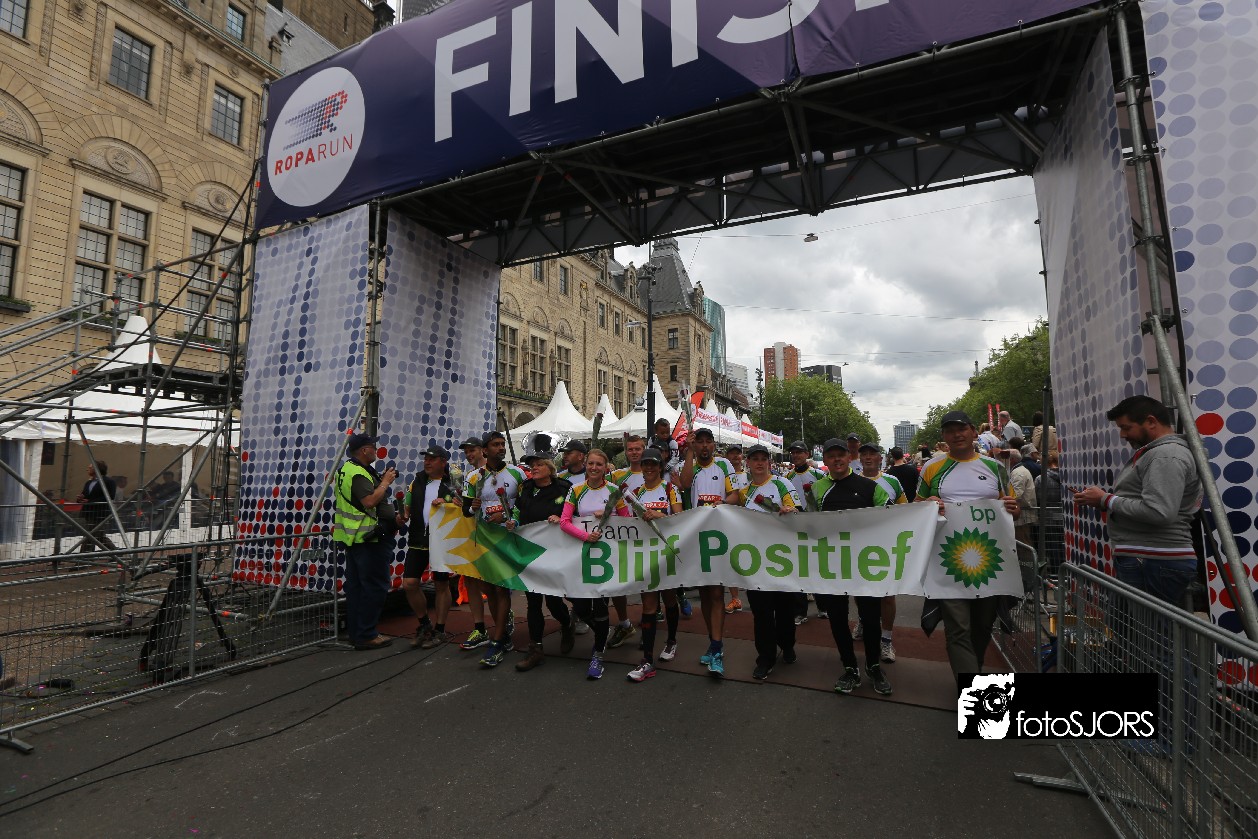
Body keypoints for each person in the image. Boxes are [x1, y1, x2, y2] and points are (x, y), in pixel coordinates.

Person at [1073, 395, 1201, 608]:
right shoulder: (1161, 454)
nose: (1123, 435)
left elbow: (1159, 512)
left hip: (1153, 559)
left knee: (1148, 628)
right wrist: (1105, 501)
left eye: (1126, 427)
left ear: (1151, 421)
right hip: (1149, 558)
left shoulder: (1165, 456)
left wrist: (1106, 499)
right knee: (1135, 626)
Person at [917, 412, 1020, 677]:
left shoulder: (995, 468)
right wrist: (927, 504)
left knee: (983, 626)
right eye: (950, 430)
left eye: (961, 429)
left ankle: (974, 670)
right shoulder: (932, 468)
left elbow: (1013, 508)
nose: (957, 435)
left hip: (990, 560)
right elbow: (916, 506)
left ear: (974, 432)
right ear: (944, 436)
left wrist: (1013, 508)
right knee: (958, 629)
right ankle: (970, 687)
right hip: (948, 560)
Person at [812, 438, 893, 696]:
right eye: (831, 455)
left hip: (865, 564)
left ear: (850, 458)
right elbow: (807, 523)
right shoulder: (817, 488)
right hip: (832, 564)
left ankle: (873, 666)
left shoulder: (870, 487)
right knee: (837, 618)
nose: (837, 459)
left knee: (870, 618)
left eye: (841, 455)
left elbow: (893, 517)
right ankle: (849, 668)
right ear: (825, 460)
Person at [726, 444, 799, 681]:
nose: (759, 463)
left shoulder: (782, 484)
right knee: (761, 612)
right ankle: (765, 657)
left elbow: (797, 509)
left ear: (769, 462)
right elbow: (727, 507)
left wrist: (790, 510)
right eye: (754, 458)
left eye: (763, 459)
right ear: (747, 463)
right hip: (756, 560)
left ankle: (787, 645)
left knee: (785, 610)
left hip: (782, 558)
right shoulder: (745, 491)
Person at [557, 448, 631, 679]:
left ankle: (598, 654)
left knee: (600, 606)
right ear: (586, 465)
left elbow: (628, 520)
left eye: (599, 464)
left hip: (606, 557)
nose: (594, 468)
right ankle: (602, 631)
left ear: (606, 467)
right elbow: (564, 522)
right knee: (579, 605)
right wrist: (585, 536)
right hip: (582, 554)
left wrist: (608, 515)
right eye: (591, 463)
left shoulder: (614, 491)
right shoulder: (575, 489)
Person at [461, 431, 526, 666]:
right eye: (495, 445)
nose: (501, 448)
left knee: (501, 589)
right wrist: (473, 507)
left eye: (502, 444)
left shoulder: (517, 473)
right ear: (485, 450)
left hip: (507, 538)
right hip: (484, 539)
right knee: (489, 588)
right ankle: (503, 628)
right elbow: (466, 511)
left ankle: (498, 641)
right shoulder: (473, 477)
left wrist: (509, 517)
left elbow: (524, 504)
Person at [333, 434, 400, 650]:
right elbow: (369, 501)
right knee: (374, 586)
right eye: (373, 447)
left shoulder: (348, 470)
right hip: (369, 538)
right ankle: (366, 634)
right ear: (364, 450)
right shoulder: (357, 472)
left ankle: (358, 632)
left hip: (354, 537)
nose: (376, 450)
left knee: (357, 587)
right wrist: (386, 483)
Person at [676, 426, 734, 676]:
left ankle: (718, 648)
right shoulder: (688, 465)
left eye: (708, 441)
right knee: (704, 594)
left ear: (713, 445)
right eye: (699, 442)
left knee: (717, 593)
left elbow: (735, 495)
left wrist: (723, 502)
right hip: (696, 537)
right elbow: (684, 484)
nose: (704, 446)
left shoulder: (724, 465)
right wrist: (689, 451)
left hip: (719, 535)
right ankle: (713, 642)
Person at [625, 448, 685, 682]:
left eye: (653, 464)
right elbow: (629, 522)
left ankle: (671, 641)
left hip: (667, 551)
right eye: (645, 464)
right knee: (649, 604)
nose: (649, 468)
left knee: (669, 599)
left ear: (660, 467)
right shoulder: (635, 493)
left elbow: (680, 517)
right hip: (645, 553)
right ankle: (647, 660)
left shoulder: (670, 489)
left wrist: (658, 515)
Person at [511, 458, 576, 671]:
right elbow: (518, 511)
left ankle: (567, 624)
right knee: (533, 600)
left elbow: (575, 514)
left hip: (555, 552)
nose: (534, 468)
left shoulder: (564, 488)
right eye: (532, 466)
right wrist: (514, 521)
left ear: (550, 468)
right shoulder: (526, 488)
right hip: (529, 552)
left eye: (539, 464)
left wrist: (562, 518)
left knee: (554, 601)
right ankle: (536, 649)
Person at [401, 445, 460, 649]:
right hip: (418, 539)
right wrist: (403, 515)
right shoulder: (417, 481)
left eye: (432, 459)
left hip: (441, 541)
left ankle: (440, 630)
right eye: (425, 458)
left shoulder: (453, 482)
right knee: (409, 583)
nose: (427, 462)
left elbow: (463, 505)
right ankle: (425, 625)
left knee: (441, 585)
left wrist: (448, 502)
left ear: (443, 462)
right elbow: (407, 506)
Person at [856, 442, 907, 663]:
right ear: (860, 459)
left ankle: (886, 640)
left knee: (887, 595)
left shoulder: (892, 481)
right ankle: (863, 621)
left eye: (872, 454)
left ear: (881, 458)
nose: (868, 458)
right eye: (864, 454)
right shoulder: (851, 480)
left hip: (886, 545)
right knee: (860, 590)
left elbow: (905, 508)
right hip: (858, 546)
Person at [786, 440, 826, 625]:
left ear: (807, 454)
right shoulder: (787, 477)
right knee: (799, 568)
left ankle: (823, 607)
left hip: (816, 525)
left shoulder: (819, 474)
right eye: (793, 453)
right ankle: (800, 611)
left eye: (799, 452)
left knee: (818, 566)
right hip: (795, 526)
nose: (796, 455)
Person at [457, 436, 491, 638]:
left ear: (482, 450)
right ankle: (479, 627)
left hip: (495, 535)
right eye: (466, 452)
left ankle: (504, 621)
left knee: (492, 584)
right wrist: (468, 506)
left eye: (472, 450)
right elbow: (467, 510)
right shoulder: (470, 476)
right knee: (471, 579)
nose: (469, 455)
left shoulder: (497, 472)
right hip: (474, 534)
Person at [723, 444, 749, 614]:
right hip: (729, 521)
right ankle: (735, 598)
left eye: (737, 453)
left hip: (747, 522)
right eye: (731, 454)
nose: (735, 456)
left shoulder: (749, 475)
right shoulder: (723, 474)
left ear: (742, 456)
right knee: (731, 559)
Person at [1034, 452, 1065, 574]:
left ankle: (1057, 573)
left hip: (1047, 518)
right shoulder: (1068, 476)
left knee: (1053, 547)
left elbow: (1037, 497)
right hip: (1065, 517)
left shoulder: (1040, 479)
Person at [77, 462, 118, 552]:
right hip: (89, 513)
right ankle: (115, 553)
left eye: (90, 468)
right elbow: (85, 494)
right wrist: (80, 498)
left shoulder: (109, 481)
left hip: (100, 513)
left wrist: (90, 501)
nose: (87, 469)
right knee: (97, 536)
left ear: (97, 469)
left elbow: (110, 496)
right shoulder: (89, 482)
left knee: (90, 535)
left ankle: (84, 556)